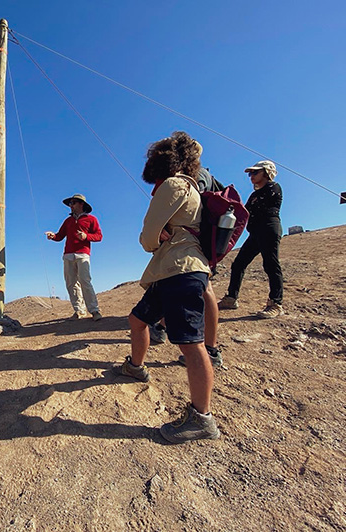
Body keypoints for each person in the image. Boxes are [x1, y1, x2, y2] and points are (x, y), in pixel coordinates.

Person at [112, 131, 220, 443]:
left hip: (180, 270)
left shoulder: (174, 184)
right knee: (137, 320)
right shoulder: (191, 186)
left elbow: (148, 235)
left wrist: (152, 239)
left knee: (190, 344)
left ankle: (202, 418)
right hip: (172, 270)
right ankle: (135, 367)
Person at [151, 166, 223, 368]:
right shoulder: (198, 175)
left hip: (195, 243)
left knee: (205, 287)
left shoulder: (196, 176)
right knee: (200, 286)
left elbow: (193, 206)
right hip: (198, 241)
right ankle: (162, 326)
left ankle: (210, 349)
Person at [218, 160, 284, 319]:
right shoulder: (254, 194)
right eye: (250, 173)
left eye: (255, 172)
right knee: (239, 263)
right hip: (255, 232)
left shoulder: (273, 187)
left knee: (270, 264)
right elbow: (244, 212)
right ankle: (231, 298)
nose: (251, 176)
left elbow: (256, 208)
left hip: (269, 229)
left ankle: (276, 303)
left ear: (267, 172)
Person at [45, 194, 103, 321]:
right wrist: (52, 236)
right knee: (71, 283)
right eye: (70, 203)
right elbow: (59, 236)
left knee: (85, 281)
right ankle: (79, 311)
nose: (70, 206)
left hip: (83, 254)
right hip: (68, 255)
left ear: (81, 204)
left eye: (73, 203)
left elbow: (99, 236)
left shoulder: (91, 219)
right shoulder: (68, 221)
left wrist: (86, 236)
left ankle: (94, 310)